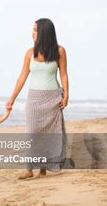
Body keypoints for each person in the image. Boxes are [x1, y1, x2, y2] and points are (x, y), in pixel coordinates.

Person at [6, 18, 69, 179]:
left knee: (49, 133)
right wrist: (12, 97)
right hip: (34, 99)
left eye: (35, 30)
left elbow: (63, 74)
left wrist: (67, 94)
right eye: (33, 30)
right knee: (33, 133)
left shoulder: (59, 51)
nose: (32, 33)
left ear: (44, 33)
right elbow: (22, 77)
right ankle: (29, 168)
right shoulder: (29, 53)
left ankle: (43, 168)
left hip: (53, 98)